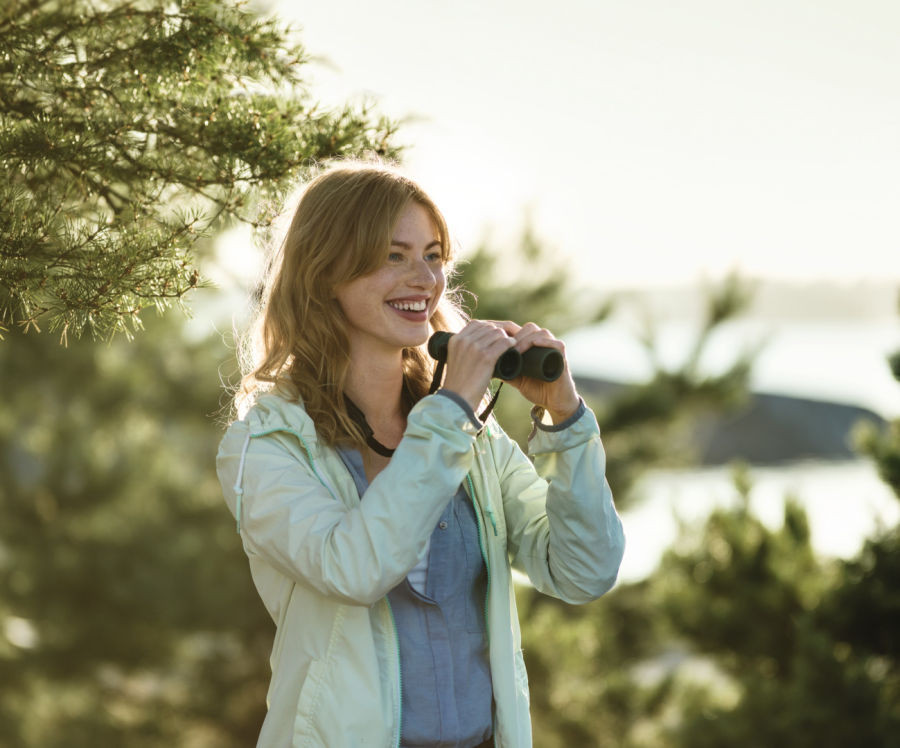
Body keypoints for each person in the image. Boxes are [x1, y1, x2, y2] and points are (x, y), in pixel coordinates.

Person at [216, 161, 625, 748]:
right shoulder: (268, 445)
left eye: (433, 255)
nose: (424, 279)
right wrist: (453, 407)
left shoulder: (466, 438)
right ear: (326, 270)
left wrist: (565, 422)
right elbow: (354, 568)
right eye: (393, 256)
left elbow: (584, 572)